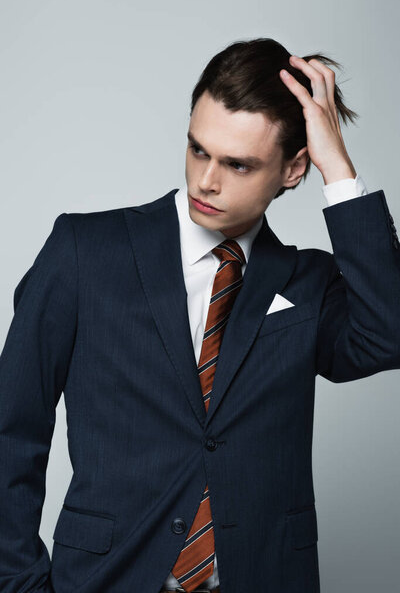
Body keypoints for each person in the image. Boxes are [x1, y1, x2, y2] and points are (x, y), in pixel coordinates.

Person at [0, 37, 399, 593]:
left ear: (292, 169)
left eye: (237, 164)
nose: (206, 181)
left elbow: (387, 335)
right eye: (197, 149)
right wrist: (17, 584)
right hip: (106, 578)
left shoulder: (308, 281)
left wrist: (339, 169)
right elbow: (10, 429)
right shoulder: (84, 252)